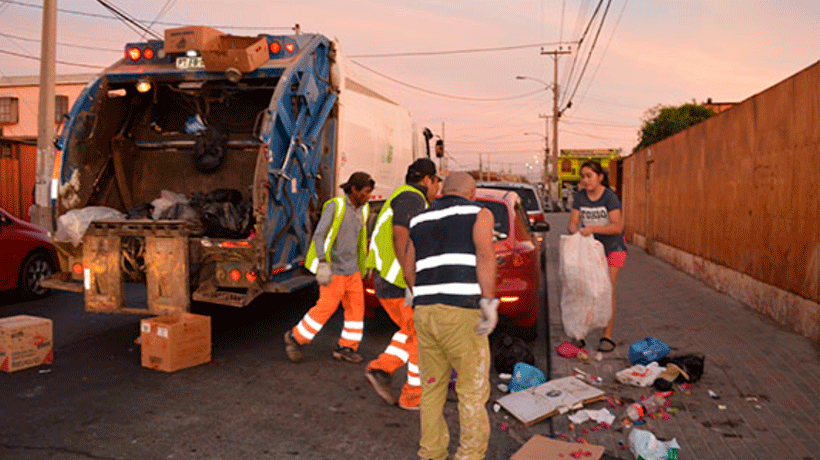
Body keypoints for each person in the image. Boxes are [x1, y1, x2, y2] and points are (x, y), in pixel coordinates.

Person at [404, 171, 498, 460]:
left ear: (443, 190)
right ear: (473, 193)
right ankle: (468, 455)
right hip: (461, 312)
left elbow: (408, 265)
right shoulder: (479, 213)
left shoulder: (419, 218)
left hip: (426, 310)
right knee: (471, 389)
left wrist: (418, 292)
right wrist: (488, 303)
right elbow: (485, 256)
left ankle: (431, 452)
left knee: (432, 388)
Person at [363, 158, 441, 410]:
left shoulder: (404, 196)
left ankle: (381, 370)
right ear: (427, 180)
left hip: (390, 279)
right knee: (422, 337)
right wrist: (412, 284)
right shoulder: (412, 198)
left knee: (411, 330)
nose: (437, 187)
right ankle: (412, 396)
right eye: (436, 181)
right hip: (397, 281)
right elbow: (401, 236)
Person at [284, 172, 374, 363]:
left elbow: (359, 241)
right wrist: (323, 264)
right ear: (354, 190)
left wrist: (363, 266)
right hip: (334, 270)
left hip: (353, 271)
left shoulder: (363, 211)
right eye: (366, 192)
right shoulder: (336, 206)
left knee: (356, 312)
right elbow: (319, 236)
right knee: (325, 308)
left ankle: (346, 348)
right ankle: (295, 338)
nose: (369, 196)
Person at [567, 160, 625, 352]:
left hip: (613, 248)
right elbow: (573, 223)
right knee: (584, 289)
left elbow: (618, 226)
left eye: (589, 176)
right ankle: (580, 333)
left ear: (600, 177)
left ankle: (606, 336)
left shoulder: (609, 197)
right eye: (582, 176)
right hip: (590, 249)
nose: (585, 180)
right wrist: (575, 229)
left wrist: (592, 228)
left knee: (607, 290)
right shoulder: (580, 197)